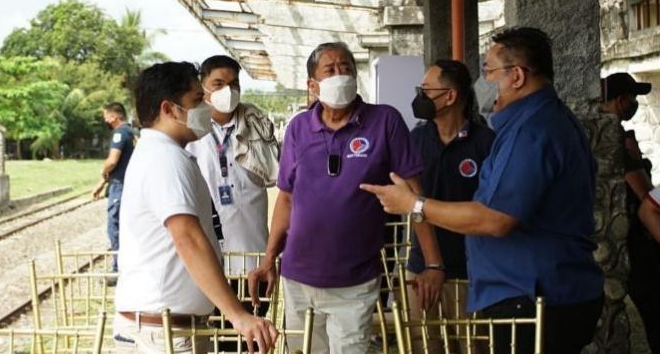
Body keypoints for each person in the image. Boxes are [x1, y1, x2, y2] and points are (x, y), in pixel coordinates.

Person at [361, 27, 604, 354]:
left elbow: (495, 218)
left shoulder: (529, 132)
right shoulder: (543, 122)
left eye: (489, 71)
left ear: (516, 76)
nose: (483, 83)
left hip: (532, 296)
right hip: (541, 291)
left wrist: (414, 204)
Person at [248, 41, 444, 354]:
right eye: (331, 70)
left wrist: (433, 263)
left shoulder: (385, 121)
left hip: (355, 282)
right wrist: (269, 258)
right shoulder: (299, 128)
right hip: (298, 278)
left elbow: (415, 195)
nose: (341, 75)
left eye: (346, 68)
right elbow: (285, 199)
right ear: (313, 85)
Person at [112, 61, 278, 354]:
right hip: (164, 333)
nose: (205, 107)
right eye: (196, 100)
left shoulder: (163, 153)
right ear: (169, 109)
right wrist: (237, 315)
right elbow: (187, 237)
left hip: (165, 327)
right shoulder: (166, 160)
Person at [407, 59, 495, 352]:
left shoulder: (486, 143)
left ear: (450, 96)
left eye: (426, 90)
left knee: (473, 347)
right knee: (426, 346)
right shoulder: (415, 140)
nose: (420, 97)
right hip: (421, 273)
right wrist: (430, 265)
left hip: (471, 274)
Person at [186, 55, 279, 310]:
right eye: (218, 84)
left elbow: (277, 176)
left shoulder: (257, 126)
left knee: (251, 336)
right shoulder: (188, 129)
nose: (228, 90)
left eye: (234, 84)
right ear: (202, 86)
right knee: (210, 339)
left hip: (253, 256)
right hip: (206, 259)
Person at [601, 73, 660, 353]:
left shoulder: (607, 135)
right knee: (657, 315)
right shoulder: (614, 138)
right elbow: (641, 188)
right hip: (639, 241)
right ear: (621, 100)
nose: (634, 103)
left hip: (622, 237)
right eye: (632, 97)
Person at [91, 102, 135, 270]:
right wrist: (101, 184)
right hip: (128, 184)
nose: (105, 119)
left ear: (114, 116)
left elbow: (112, 161)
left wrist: (103, 172)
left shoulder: (120, 133)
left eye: (106, 116)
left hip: (120, 186)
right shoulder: (132, 132)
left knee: (114, 225)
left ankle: (118, 267)